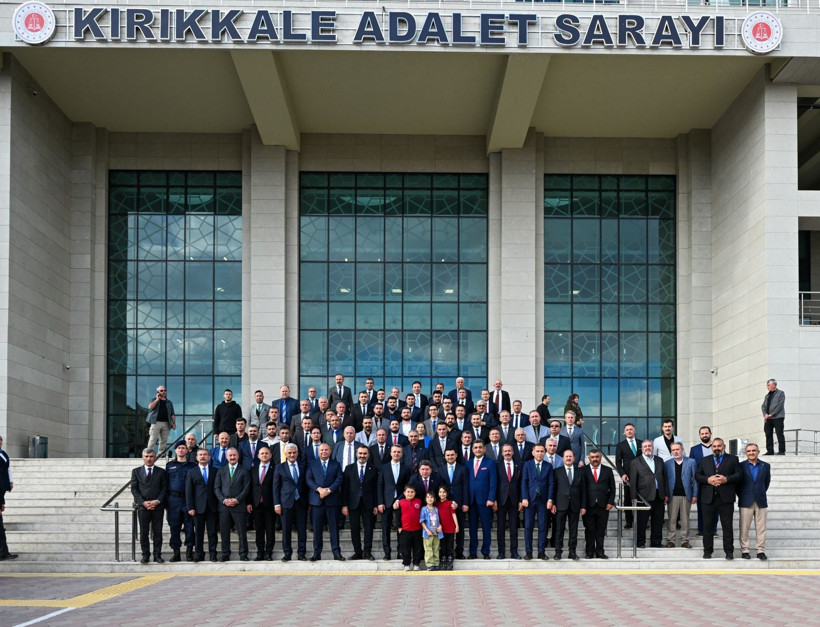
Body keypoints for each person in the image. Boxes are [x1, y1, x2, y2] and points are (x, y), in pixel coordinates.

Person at [695, 438, 742, 560]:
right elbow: (697, 475)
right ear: (712, 448)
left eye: (719, 446)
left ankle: (729, 552)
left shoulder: (733, 459)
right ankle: (707, 551)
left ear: (724, 446)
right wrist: (708, 480)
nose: (717, 448)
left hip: (725, 499)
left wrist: (726, 479)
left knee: (727, 527)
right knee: (707, 527)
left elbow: (739, 475)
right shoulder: (705, 460)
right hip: (708, 499)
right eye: (714, 446)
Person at [306, 443, 345, 561]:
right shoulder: (312, 464)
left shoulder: (336, 464)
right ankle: (316, 553)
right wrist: (319, 490)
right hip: (317, 502)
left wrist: (328, 490)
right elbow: (308, 479)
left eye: (326, 450)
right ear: (318, 451)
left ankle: (336, 553)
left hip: (332, 501)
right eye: (321, 450)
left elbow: (339, 479)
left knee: (334, 528)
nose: (324, 452)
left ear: (330, 451)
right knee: (317, 529)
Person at [130, 448, 168, 564]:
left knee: (158, 532)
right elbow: (134, 489)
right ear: (143, 458)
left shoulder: (161, 472)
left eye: (151, 456)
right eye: (146, 456)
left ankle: (157, 555)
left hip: (158, 507)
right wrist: (143, 502)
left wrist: (157, 501)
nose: (149, 459)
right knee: (144, 532)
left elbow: (164, 488)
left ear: (155, 458)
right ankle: (145, 555)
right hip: (143, 507)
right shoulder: (136, 471)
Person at [341, 446, 379, 560]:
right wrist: (344, 505)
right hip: (353, 503)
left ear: (368, 455)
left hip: (368, 503)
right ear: (356, 454)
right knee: (354, 528)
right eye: (360, 453)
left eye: (365, 454)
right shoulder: (349, 468)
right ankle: (358, 552)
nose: (362, 456)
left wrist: (376, 504)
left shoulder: (374, 468)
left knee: (368, 529)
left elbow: (376, 488)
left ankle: (367, 552)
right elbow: (344, 488)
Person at [214, 447, 251, 561]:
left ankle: (243, 554)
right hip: (224, 507)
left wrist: (237, 499)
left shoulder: (244, 470)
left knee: (241, 532)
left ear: (238, 456)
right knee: (224, 532)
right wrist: (224, 500)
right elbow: (216, 488)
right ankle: (225, 554)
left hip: (239, 506)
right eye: (230, 455)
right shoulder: (221, 470)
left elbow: (246, 488)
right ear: (226, 457)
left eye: (234, 455)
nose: (232, 457)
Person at [273, 443, 308, 562]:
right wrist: (277, 504)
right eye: (289, 453)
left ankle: (301, 553)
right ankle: (287, 553)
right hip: (286, 503)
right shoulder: (280, 467)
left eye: (294, 452)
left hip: (301, 503)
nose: (292, 455)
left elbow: (306, 485)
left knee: (302, 529)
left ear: (297, 453)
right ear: (285, 454)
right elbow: (276, 487)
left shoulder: (303, 466)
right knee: (286, 530)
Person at [738, 443, 771, 560]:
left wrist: (759, 492)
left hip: (761, 500)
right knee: (744, 527)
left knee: (761, 528)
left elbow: (766, 482)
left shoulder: (765, 466)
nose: (751, 453)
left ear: (758, 452)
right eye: (749, 451)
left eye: (753, 451)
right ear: (745, 453)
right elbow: (738, 484)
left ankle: (760, 550)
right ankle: (745, 550)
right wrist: (743, 495)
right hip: (746, 500)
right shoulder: (740, 466)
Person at [521, 443, 554, 561]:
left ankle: (541, 551)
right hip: (530, 500)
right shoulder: (527, 465)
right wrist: (524, 498)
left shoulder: (548, 466)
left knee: (543, 527)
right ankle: (528, 552)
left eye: (541, 451)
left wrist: (550, 499)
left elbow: (551, 484)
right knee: (528, 527)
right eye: (537, 451)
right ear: (533, 453)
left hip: (543, 501)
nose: (540, 453)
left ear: (544, 453)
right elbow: (524, 482)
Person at [185, 448, 219, 563]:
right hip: (197, 508)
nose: (203, 457)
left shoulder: (215, 471)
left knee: (212, 532)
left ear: (209, 457)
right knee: (198, 533)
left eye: (205, 455)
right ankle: (199, 554)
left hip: (212, 507)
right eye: (200, 455)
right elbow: (188, 491)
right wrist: (190, 507)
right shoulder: (192, 472)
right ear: (197, 458)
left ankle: (213, 554)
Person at [378, 445, 411, 561]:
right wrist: (380, 502)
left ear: (402, 454)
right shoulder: (383, 468)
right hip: (386, 501)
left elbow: (408, 486)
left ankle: (400, 552)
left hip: (401, 501)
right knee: (385, 528)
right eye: (394, 452)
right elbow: (380, 485)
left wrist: (400, 498)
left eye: (399, 452)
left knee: (400, 528)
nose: (396, 454)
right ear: (391, 453)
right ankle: (387, 553)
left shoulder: (406, 468)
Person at [551, 450, 585, 560]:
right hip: (560, 504)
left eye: (571, 456)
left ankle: (572, 552)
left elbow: (583, 490)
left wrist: (583, 506)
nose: (568, 458)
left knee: (573, 530)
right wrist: (553, 503)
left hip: (575, 505)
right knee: (559, 529)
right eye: (566, 456)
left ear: (574, 458)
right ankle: (558, 552)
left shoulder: (580, 472)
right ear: (563, 458)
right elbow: (554, 488)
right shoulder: (557, 471)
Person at [582, 449, 615, 559]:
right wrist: (582, 505)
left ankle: (600, 551)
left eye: (597, 457)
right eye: (592, 457)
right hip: (588, 506)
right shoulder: (583, 470)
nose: (595, 459)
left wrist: (610, 502)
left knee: (601, 530)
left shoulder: (608, 470)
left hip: (603, 505)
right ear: (589, 458)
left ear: (600, 458)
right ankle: (589, 552)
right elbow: (580, 489)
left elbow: (613, 488)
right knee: (589, 530)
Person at [166, 441, 196, 562]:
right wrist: (165, 503)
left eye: (183, 448)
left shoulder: (193, 465)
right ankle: (176, 552)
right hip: (173, 500)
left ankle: (189, 552)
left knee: (189, 526)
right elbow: (165, 484)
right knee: (174, 526)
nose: (181, 450)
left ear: (187, 450)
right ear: (175, 450)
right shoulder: (169, 466)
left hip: (187, 500)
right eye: (179, 448)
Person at [664, 442, 698, 549]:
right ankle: (671, 540)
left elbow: (696, 480)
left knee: (685, 519)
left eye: (677, 449)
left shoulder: (691, 462)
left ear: (682, 450)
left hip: (686, 495)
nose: (675, 452)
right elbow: (665, 481)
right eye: (673, 450)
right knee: (672, 519)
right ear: (671, 451)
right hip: (672, 495)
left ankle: (685, 540)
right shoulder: (667, 463)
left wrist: (695, 494)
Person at [437, 448, 469, 560]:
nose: (450, 457)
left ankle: (459, 552)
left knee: (459, 529)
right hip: (444, 505)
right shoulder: (440, 470)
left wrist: (465, 503)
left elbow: (466, 487)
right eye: (448, 455)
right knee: (444, 530)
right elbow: (439, 488)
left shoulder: (463, 469)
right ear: (445, 456)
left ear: (456, 455)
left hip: (460, 503)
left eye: (452, 455)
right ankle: (444, 553)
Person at [468, 440, 497, 559]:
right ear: (472, 449)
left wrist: (491, 498)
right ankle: (473, 552)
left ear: (484, 449)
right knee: (472, 528)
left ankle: (486, 552)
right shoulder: (468, 464)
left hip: (485, 501)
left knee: (486, 527)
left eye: (480, 447)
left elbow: (493, 482)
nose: (478, 449)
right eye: (475, 448)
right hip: (471, 501)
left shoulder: (490, 463)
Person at [495, 444, 522, 559]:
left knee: (513, 527)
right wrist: (494, 500)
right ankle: (501, 552)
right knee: (500, 527)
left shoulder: (519, 465)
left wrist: (521, 500)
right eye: (505, 451)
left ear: (513, 452)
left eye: (509, 451)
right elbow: (494, 483)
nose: (507, 453)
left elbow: (521, 484)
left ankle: (514, 552)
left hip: (514, 500)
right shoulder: (497, 465)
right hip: (501, 500)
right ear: (502, 453)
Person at [249, 446, 276, 560]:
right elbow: (250, 487)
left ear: (270, 455)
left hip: (270, 503)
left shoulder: (275, 468)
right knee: (259, 529)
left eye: (266, 453)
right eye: (262, 453)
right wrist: (249, 503)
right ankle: (260, 552)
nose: (264, 455)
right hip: (256, 504)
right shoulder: (253, 469)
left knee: (270, 529)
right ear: (258, 456)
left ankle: (269, 552)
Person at [615, 423, 642, 529]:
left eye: (631, 429)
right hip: (628, 477)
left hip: (641, 476)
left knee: (641, 498)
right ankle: (629, 521)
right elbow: (618, 462)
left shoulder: (641, 443)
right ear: (624, 432)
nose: (629, 431)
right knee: (627, 499)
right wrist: (622, 474)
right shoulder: (620, 445)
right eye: (627, 430)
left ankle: (641, 521)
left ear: (635, 431)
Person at [394, 484, 423, 571]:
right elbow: (397, 516)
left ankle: (416, 564)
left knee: (417, 548)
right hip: (405, 529)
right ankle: (406, 564)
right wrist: (399, 527)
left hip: (417, 529)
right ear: (404, 493)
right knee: (405, 548)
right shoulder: (400, 502)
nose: (410, 494)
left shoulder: (419, 501)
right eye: (408, 492)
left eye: (412, 492)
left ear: (415, 493)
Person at [146, 385, 176, 454]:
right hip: (156, 422)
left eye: (165, 390)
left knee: (163, 440)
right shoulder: (154, 400)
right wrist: (157, 399)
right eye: (161, 391)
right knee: (153, 439)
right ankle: (149, 454)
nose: (163, 392)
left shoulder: (169, 402)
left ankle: (161, 455)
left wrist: (174, 423)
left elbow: (172, 414)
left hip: (166, 423)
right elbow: (150, 407)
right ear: (158, 392)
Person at [0, 435, 16, 561]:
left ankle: (3, 551)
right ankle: (3, 552)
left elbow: (8, 469)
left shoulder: (3, 454)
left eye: (1, 441)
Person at [436, 485, 459, 570]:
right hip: (441, 529)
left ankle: (450, 560)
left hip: (450, 527)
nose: (442, 494)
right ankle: (443, 559)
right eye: (440, 492)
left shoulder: (450, 503)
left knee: (450, 545)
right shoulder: (437, 504)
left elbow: (453, 514)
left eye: (444, 492)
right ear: (438, 493)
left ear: (447, 493)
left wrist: (457, 525)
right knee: (443, 544)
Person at [420, 489, 443, 571]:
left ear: (434, 499)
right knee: (428, 548)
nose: (430, 499)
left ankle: (436, 563)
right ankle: (429, 564)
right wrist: (427, 530)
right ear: (425, 499)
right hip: (428, 533)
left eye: (432, 497)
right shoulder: (424, 509)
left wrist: (440, 526)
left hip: (436, 533)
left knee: (436, 548)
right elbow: (422, 521)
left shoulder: (436, 509)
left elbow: (438, 520)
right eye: (428, 497)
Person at [762, 379, 786, 455]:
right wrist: (765, 414)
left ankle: (781, 451)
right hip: (768, 419)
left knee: (779, 434)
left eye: (768, 385)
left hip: (778, 417)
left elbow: (780, 405)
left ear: (774, 385)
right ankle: (770, 451)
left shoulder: (781, 393)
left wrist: (772, 414)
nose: (767, 387)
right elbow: (763, 406)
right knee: (768, 434)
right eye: (767, 385)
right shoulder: (767, 396)